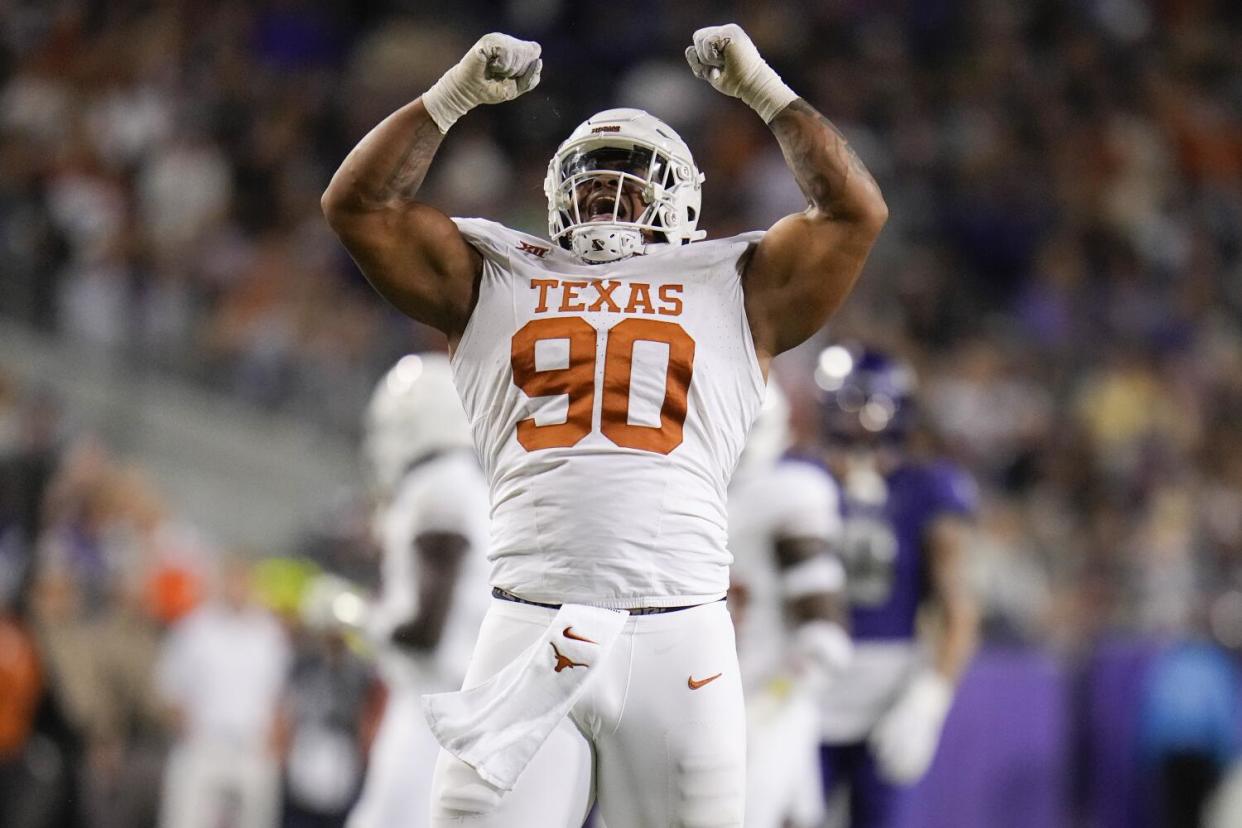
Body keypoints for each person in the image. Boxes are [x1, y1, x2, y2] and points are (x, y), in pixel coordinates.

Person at [321, 23, 887, 828]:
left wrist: (764, 90)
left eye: (630, 179)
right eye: (589, 181)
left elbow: (854, 211)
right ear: (555, 197)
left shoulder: (734, 281)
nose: (606, 197)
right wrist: (453, 96)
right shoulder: (499, 270)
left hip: (678, 631)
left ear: (682, 198)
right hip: (527, 620)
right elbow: (358, 205)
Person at [810, 344, 979, 828]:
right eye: (848, 402)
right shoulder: (801, 476)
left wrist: (930, 699)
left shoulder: (928, 486)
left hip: (889, 684)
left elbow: (958, 607)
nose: (858, 418)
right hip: (805, 680)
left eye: (869, 404)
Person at [346, 353, 490, 828]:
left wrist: (357, 618)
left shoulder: (438, 486)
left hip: (436, 706)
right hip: (462, 706)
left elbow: (427, 624)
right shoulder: (464, 483)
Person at [726, 382, 852, 828]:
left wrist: (768, 705)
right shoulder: (695, 495)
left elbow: (824, 640)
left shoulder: (786, 492)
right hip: (710, 705)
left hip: (765, 705)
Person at [155, 555, 291, 828]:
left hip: (252, 745)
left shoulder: (269, 634)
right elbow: (171, 689)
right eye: (231, 580)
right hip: (204, 742)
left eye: (243, 581)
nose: (237, 588)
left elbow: (279, 695)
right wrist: (186, 730)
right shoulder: (194, 629)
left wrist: (275, 743)